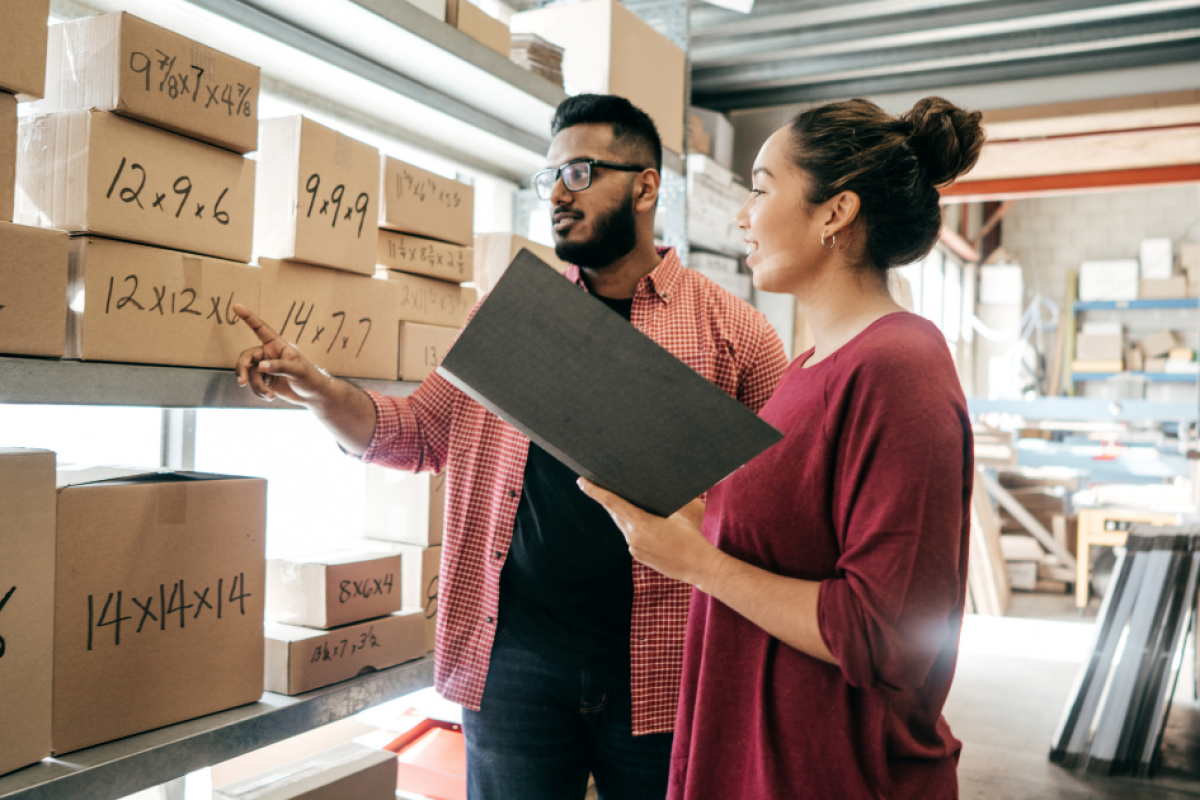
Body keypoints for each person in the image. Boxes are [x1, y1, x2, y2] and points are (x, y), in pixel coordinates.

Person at [232, 94, 789, 800]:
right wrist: (319, 391)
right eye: (549, 176)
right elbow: (417, 433)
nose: (557, 193)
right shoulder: (515, 317)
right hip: (516, 660)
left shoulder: (734, 333)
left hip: (667, 662)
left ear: (646, 184)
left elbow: (780, 504)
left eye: (581, 172)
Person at [580, 96, 984, 800]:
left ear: (836, 213)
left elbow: (884, 634)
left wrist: (698, 565)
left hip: (836, 773)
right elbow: (785, 535)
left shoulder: (899, 366)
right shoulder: (808, 368)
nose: (742, 216)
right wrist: (684, 511)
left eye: (760, 190)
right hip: (757, 760)